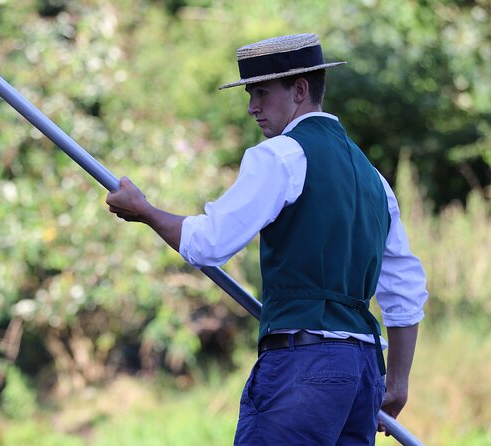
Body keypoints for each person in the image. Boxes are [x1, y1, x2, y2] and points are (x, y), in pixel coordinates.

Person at [106, 33, 427, 445]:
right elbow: (405, 293)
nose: (251, 107)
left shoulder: (280, 155)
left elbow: (207, 243)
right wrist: (397, 382)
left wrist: (146, 212)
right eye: (249, 94)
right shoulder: (374, 180)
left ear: (299, 89)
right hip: (363, 371)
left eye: (261, 92)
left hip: (304, 367)